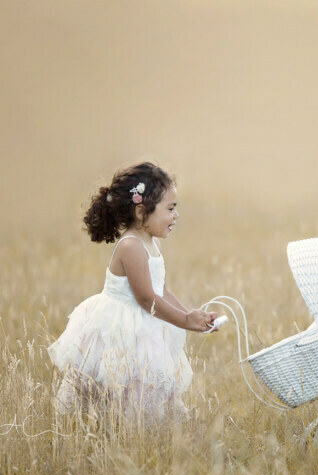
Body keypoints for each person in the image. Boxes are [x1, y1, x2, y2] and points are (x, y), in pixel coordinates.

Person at [47, 162, 218, 421]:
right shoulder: (131, 246)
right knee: (114, 387)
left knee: (143, 389)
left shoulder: (151, 242)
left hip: (143, 324)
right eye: (170, 209)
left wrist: (191, 316)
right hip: (120, 327)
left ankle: (139, 432)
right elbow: (146, 298)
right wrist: (184, 321)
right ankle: (110, 430)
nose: (176, 215)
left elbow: (160, 290)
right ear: (141, 212)